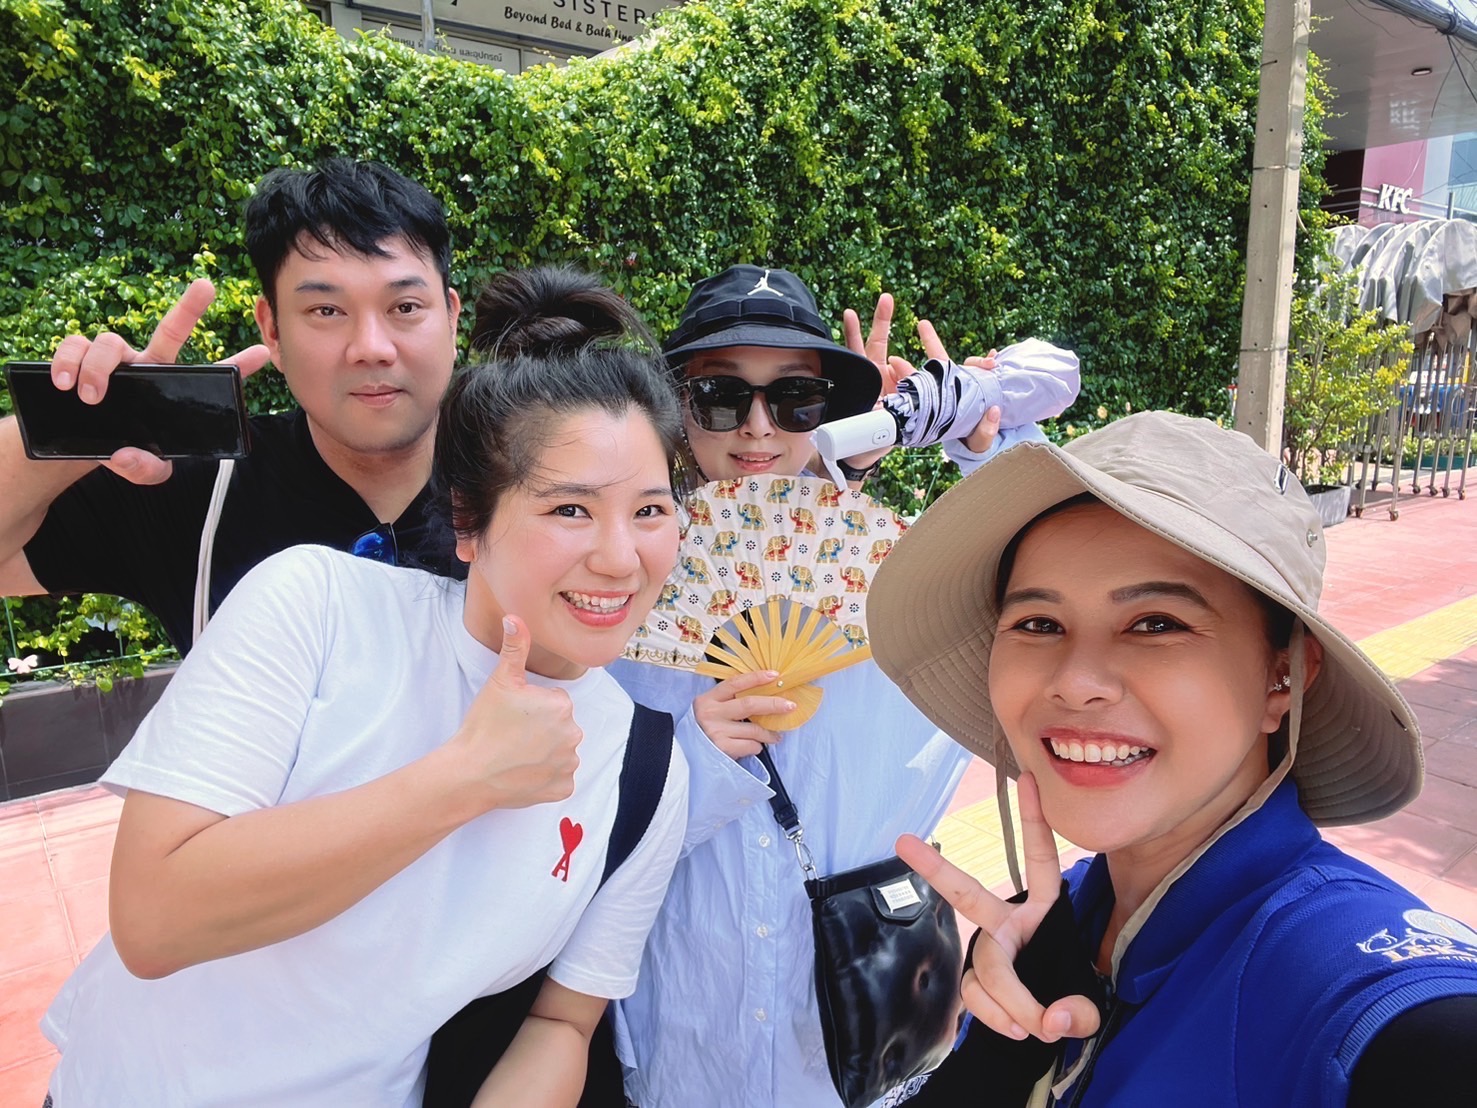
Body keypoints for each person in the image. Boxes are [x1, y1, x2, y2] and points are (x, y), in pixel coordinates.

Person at [39, 268, 690, 1108]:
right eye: (570, 510)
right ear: (469, 521)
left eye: (650, 511)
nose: (620, 557)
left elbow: (561, 1021)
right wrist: (463, 778)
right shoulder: (317, 608)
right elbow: (154, 919)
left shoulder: (643, 770)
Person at [866, 410, 1477, 1106]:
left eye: (1156, 623)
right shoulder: (1072, 912)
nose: (1075, 681)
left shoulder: (1340, 969)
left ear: (1282, 677)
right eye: (1038, 623)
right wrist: (1002, 1061)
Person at [607, 264, 1080, 1107]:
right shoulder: (624, 595)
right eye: (719, 395)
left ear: (830, 411)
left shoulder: (891, 591)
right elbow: (583, 833)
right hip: (682, 1043)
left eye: (795, 397)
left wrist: (978, 436)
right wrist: (694, 759)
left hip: (858, 1047)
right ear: (676, 410)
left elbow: (1051, 594)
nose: (757, 427)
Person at [0, 158, 464, 652]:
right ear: (273, 331)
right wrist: (94, 420)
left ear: (452, 319)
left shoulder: (516, 479)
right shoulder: (198, 490)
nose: (371, 348)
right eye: (326, 310)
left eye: (405, 307)